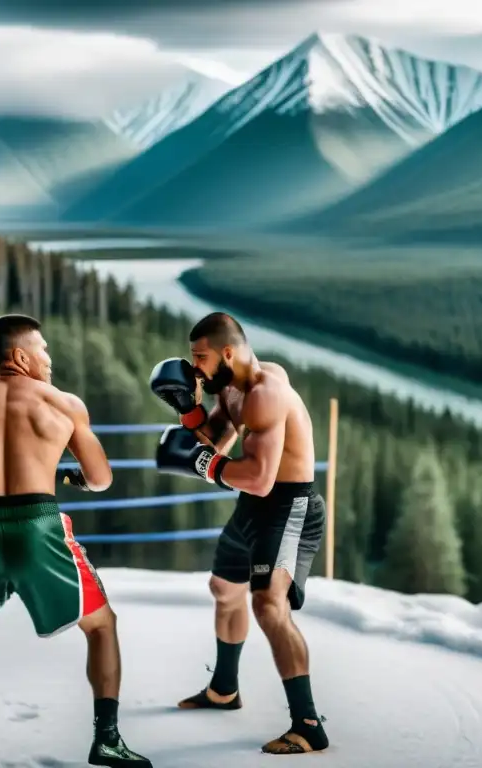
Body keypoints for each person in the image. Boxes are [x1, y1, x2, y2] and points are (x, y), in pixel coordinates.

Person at [0, 313, 152, 768]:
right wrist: (69, 476)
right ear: (20, 356)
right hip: (36, 527)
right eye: (43, 349)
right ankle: (108, 739)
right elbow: (101, 479)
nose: (50, 358)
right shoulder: (62, 404)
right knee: (102, 626)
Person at [149, 311, 329, 756]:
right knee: (223, 587)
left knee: (269, 606)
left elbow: (261, 477)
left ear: (227, 352)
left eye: (201, 357)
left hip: (288, 506)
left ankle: (308, 725)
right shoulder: (230, 386)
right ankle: (224, 690)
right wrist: (188, 413)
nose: (194, 367)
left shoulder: (267, 393)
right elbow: (217, 440)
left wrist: (203, 465)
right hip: (253, 507)